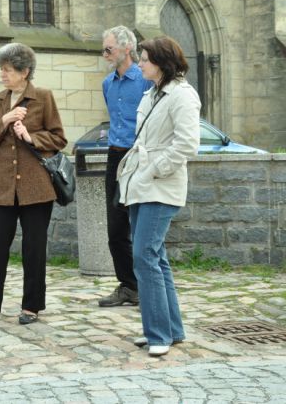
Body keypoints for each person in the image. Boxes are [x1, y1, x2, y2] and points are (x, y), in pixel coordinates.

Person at [0, 43, 67, 326]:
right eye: (2, 69)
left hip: (36, 186)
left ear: (24, 71)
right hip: (3, 186)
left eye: (8, 69)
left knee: (34, 248)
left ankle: (32, 306)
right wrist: (5, 120)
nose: (3, 74)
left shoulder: (43, 97)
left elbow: (58, 138)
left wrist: (31, 137)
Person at [117, 36, 201, 357]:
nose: (139, 64)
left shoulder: (182, 95)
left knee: (144, 257)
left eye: (145, 59)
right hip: (141, 184)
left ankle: (158, 334)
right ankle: (171, 329)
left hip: (161, 185)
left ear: (162, 62)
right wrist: (142, 174)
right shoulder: (152, 93)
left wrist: (155, 169)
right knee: (156, 258)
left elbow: (187, 144)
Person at [98, 26, 153, 308]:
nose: (105, 54)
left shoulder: (144, 81)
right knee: (116, 228)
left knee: (141, 225)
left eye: (109, 49)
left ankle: (148, 286)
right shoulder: (107, 83)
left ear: (126, 48)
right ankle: (129, 286)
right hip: (115, 157)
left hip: (139, 157)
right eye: (103, 49)